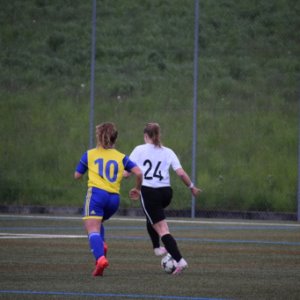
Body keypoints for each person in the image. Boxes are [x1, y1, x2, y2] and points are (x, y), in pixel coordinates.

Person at [125, 122, 201, 275]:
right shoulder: (168, 151)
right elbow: (180, 173)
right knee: (151, 215)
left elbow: (126, 173)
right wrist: (191, 187)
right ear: (158, 135)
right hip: (166, 193)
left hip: (149, 192)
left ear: (146, 136)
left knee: (163, 229)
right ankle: (157, 248)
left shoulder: (139, 149)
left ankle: (180, 261)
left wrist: (115, 177)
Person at [74, 122, 142, 277]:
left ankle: (100, 259)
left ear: (98, 137)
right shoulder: (121, 157)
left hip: (97, 195)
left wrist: (85, 170)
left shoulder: (90, 154)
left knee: (91, 229)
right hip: (114, 200)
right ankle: (101, 246)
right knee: (98, 223)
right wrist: (137, 189)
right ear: (114, 139)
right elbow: (139, 173)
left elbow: (77, 176)